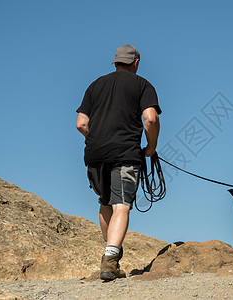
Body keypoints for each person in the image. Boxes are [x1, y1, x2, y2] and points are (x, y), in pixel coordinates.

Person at [76, 44, 161, 281]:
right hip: (125, 154)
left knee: (105, 202)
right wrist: (151, 147)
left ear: (115, 63)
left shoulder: (94, 85)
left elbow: (81, 123)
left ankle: (109, 252)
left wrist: (98, 139)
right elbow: (150, 118)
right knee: (121, 205)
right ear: (136, 63)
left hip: (94, 154)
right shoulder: (143, 85)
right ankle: (111, 260)